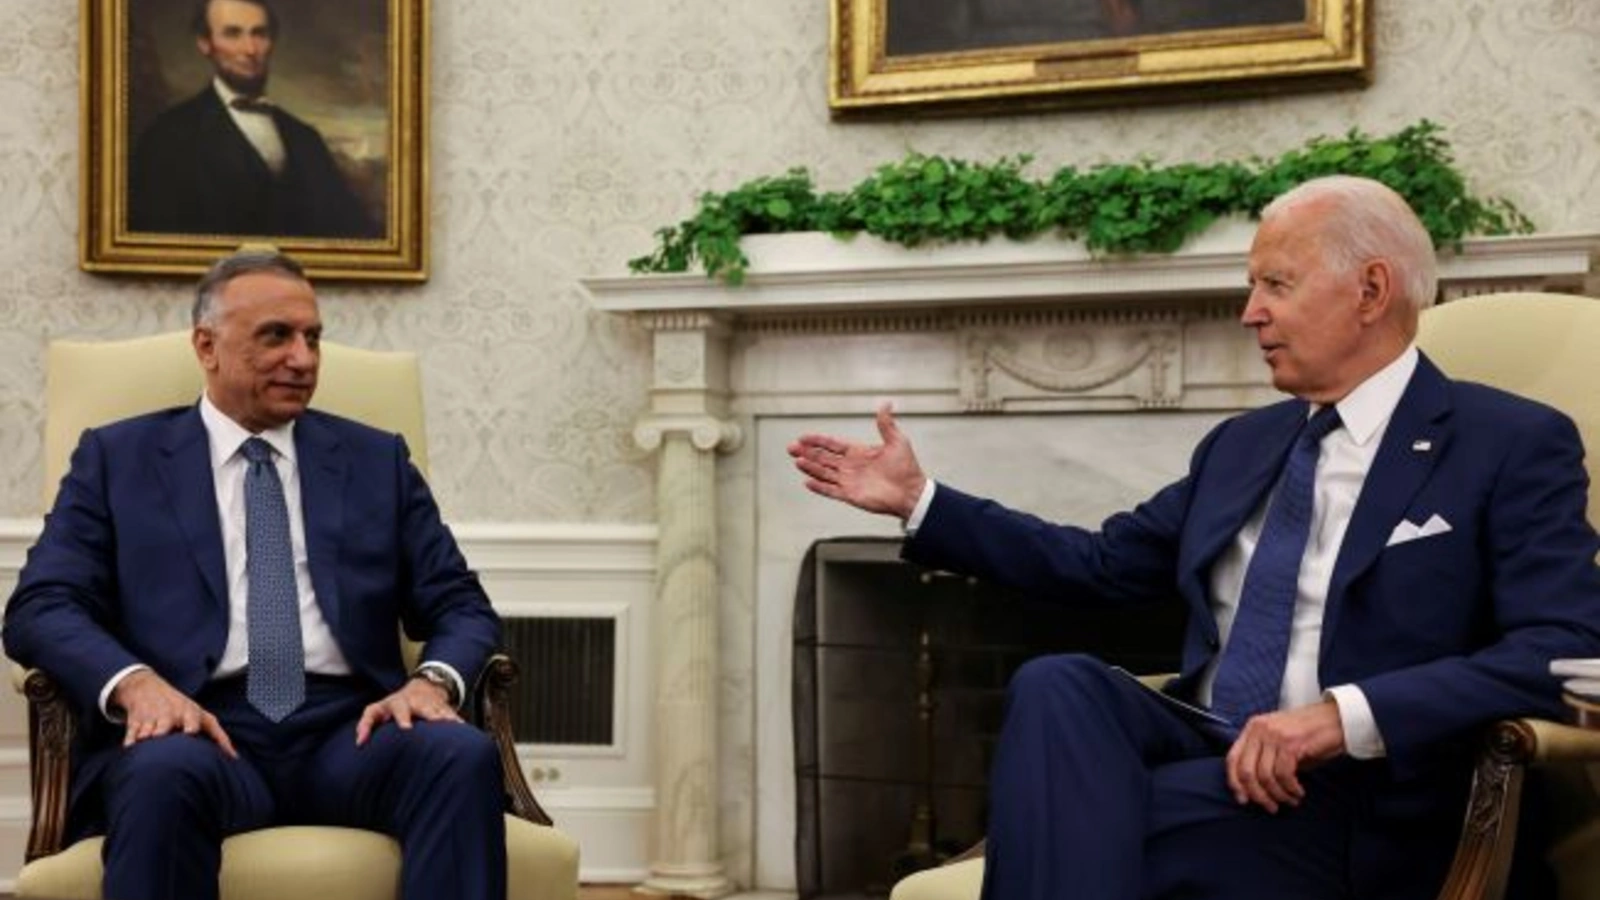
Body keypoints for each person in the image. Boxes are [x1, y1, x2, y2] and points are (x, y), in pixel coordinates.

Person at [789, 175, 1600, 900]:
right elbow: (1100, 565)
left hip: (1366, 793)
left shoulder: (1507, 442)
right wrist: (920, 501)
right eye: (1252, 287)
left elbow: (1564, 644)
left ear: (1370, 289)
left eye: (1275, 285)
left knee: (1065, 821)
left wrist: (1340, 716)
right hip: (1210, 747)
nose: (1250, 313)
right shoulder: (1243, 445)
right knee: (1057, 684)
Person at [4, 250, 503, 900]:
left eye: (313, 338)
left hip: (348, 730)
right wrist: (137, 685)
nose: (304, 358)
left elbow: (460, 604)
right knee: (161, 775)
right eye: (277, 336)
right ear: (206, 346)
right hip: (197, 724)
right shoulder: (117, 459)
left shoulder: (374, 459)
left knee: (459, 756)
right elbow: (40, 606)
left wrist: (433, 682)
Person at [128, 0, 380, 238]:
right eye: (233, 34)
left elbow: (352, 230)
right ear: (205, 43)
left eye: (259, 33)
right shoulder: (168, 136)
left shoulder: (305, 138)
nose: (250, 49)